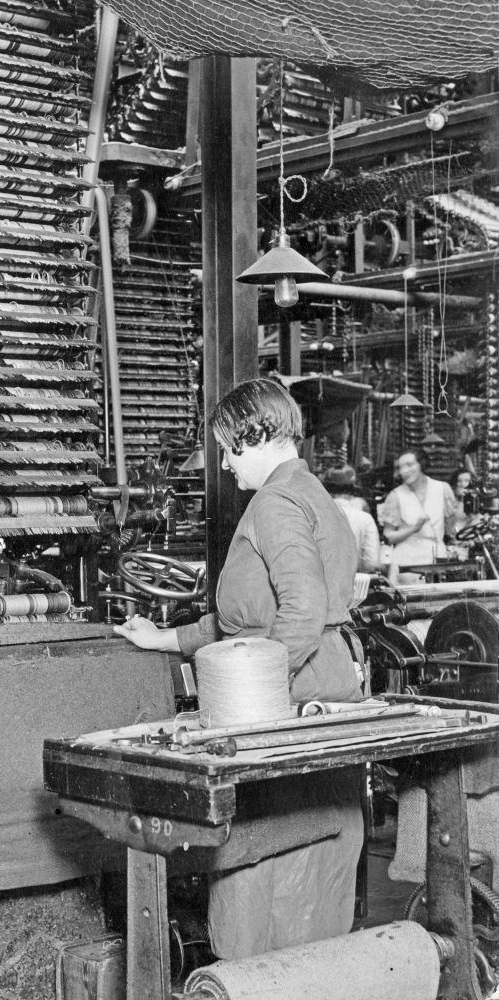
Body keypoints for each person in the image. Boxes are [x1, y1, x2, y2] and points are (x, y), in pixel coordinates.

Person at [115, 378, 363, 960]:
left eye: (229, 448)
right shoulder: (310, 493)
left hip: (289, 704)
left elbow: (299, 611)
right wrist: (163, 639)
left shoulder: (275, 504)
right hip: (320, 688)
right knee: (316, 860)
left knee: (264, 866)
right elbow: (247, 622)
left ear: (259, 436)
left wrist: (259, 700)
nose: (225, 465)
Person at [379, 449, 457, 567]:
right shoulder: (395, 496)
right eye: (401, 467)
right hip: (406, 561)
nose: (405, 471)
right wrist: (413, 529)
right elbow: (388, 536)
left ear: (422, 465)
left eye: (410, 465)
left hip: (437, 556)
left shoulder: (442, 489)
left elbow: (450, 529)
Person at [323, 468, 381, 573]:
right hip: (352, 584)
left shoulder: (310, 514)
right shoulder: (365, 519)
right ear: (352, 490)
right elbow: (372, 563)